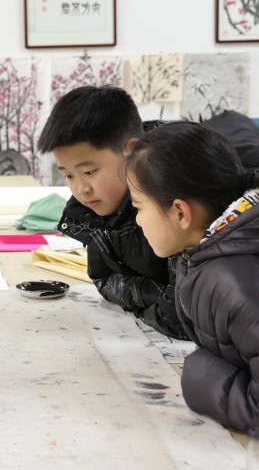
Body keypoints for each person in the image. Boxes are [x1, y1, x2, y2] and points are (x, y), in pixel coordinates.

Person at [125, 121, 259, 450]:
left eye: (138, 207)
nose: (137, 220)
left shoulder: (234, 282)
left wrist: (198, 375)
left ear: (180, 212)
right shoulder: (214, 252)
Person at [37, 86, 187, 340]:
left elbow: (181, 316)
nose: (81, 189)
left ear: (132, 150)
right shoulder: (99, 208)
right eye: (69, 175)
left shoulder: (174, 197)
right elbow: (102, 279)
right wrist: (153, 296)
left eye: (89, 172)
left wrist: (139, 300)